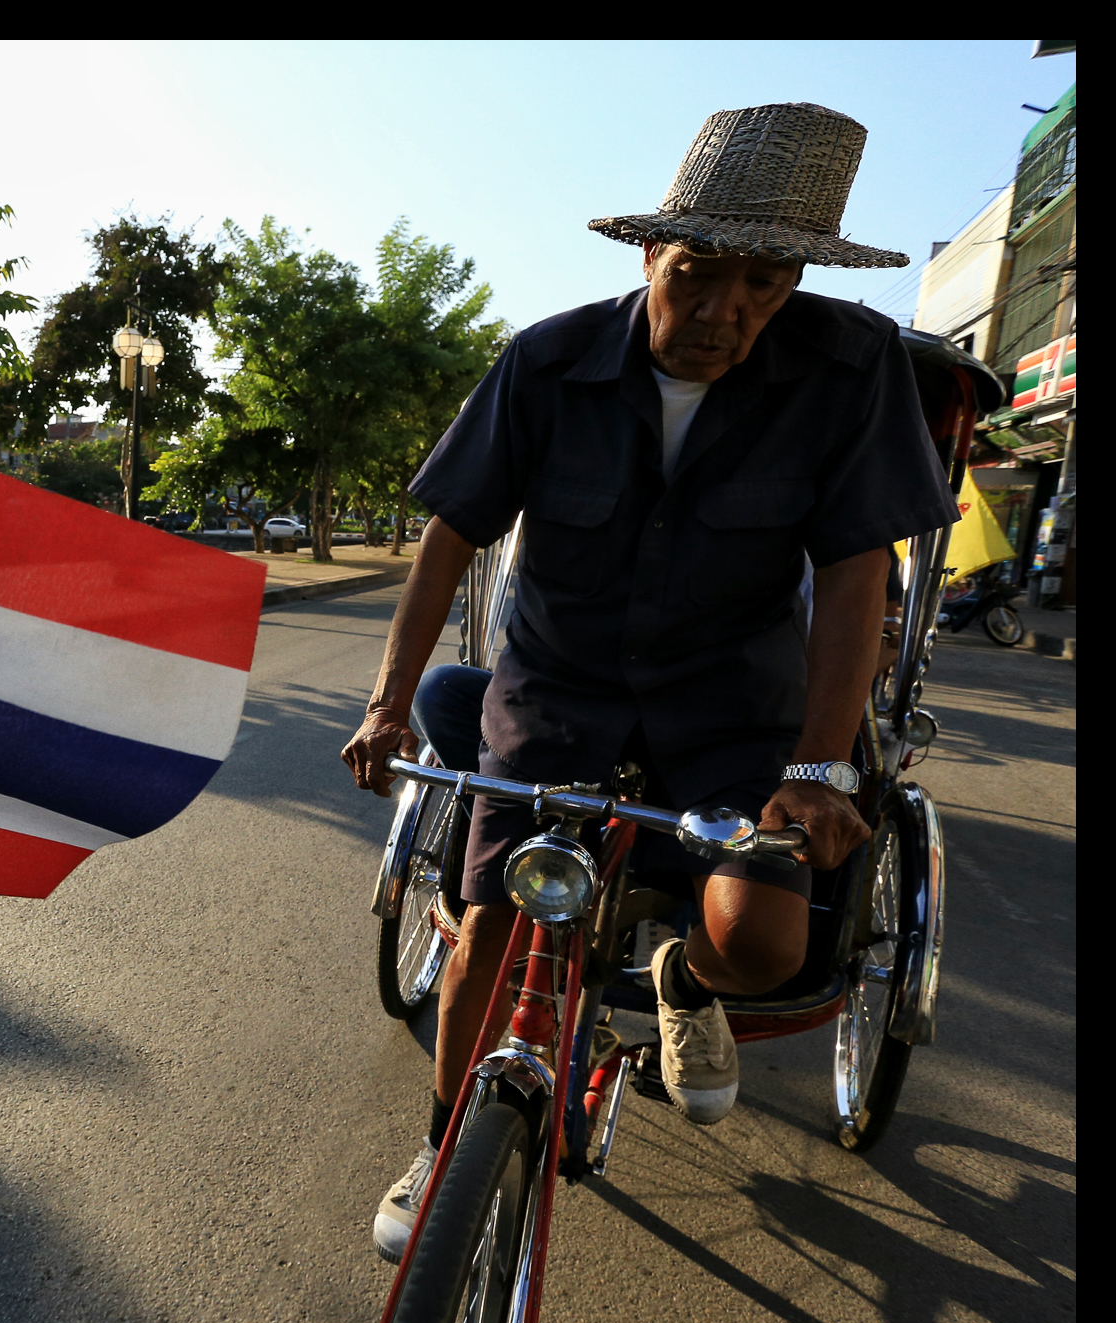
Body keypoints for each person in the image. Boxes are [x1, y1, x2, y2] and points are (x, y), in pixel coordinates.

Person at [339, 103, 958, 1262]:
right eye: (699, 275)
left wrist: (822, 767)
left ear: (799, 279)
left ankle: (678, 976)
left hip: (736, 707)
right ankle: (439, 1143)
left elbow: (856, 568)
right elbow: (449, 538)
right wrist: (385, 704)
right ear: (649, 255)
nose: (726, 315)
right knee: (492, 927)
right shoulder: (549, 357)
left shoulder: (849, 366)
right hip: (557, 687)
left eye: (765, 284)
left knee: (766, 948)